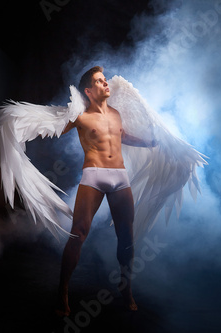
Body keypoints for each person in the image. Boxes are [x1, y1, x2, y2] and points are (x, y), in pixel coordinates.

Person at [56, 66, 155, 316]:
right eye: (100, 82)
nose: (106, 83)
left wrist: (149, 142)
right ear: (89, 91)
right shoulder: (80, 116)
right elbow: (54, 127)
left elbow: (124, 136)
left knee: (127, 237)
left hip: (120, 177)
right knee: (78, 233)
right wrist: (27, 128)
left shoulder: (116, 113)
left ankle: (126, 287)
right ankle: (63, 291)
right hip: (94, 175)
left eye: (105, 80)